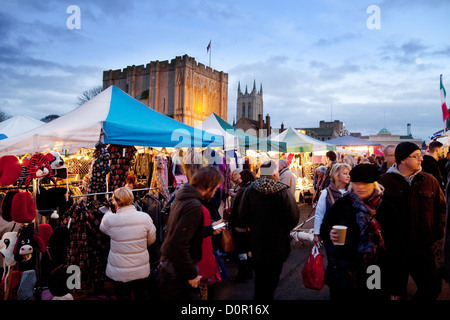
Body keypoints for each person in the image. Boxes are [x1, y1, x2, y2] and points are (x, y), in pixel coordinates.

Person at [377, 141, 446, 300]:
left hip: (423, 246)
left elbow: (441, 208)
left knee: (432, 287)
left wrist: (436, 233)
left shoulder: (429, 180)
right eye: (415, 156)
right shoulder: (383, 183)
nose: (421, 159)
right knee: (395, 292)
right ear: (402, 160)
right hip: (394, 249)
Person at [320, 164, 387, 300]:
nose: (360, 187)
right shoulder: (343, 204)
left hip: (375, 268)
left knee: (372, 296)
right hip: (346, 268)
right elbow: (325, 228)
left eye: (365, 184)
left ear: (374, 184)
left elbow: (398, 243)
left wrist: (397, 286)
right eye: (356, 183)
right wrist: (330, 234)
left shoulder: (386, 207)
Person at [158, 166, 224, 300]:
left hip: (171, 268)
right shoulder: (193, 205)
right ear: (209, 186)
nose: (215, 192)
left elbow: (185, 232)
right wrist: (192, 273)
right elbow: (178, 244)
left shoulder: (183, 198)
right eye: (215, 188)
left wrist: (210, 229)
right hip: (178, 273)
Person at [238, 160, 300, 300]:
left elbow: (242, 214)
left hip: (257, 240)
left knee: (259, 278)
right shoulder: (283, 191)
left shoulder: (250, 190)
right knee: (272, 278)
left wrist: (252, 225)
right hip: (278, 242)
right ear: (274, 173)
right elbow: (293, 216)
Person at [99, 187, 157, 300]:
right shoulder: (145, 218)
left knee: (123, 296)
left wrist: (107, 214)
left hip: (119, 271)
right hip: (141, 269)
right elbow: (151, 240)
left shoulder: (111, 220)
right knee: (141, 296)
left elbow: (103, 228)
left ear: (115, 201)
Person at [313, 163, 351, 250]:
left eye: (349, 173)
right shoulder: (326, 193)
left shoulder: (351, 192)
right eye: (345, 173)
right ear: (337, 176)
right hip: (331, 234)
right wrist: (316, 234)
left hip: (349, 235)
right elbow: (319, 214)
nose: (348, 176)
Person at [229, 169, 256, 282]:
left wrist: (234, 223)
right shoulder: (255, 190)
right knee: (249, 250)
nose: (238, 179)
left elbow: (237, 210)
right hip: (251, 226)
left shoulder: (242, 191)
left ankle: (242, 275)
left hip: (241, 226)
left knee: (241, 250)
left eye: (240, 177)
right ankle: (249, 272)